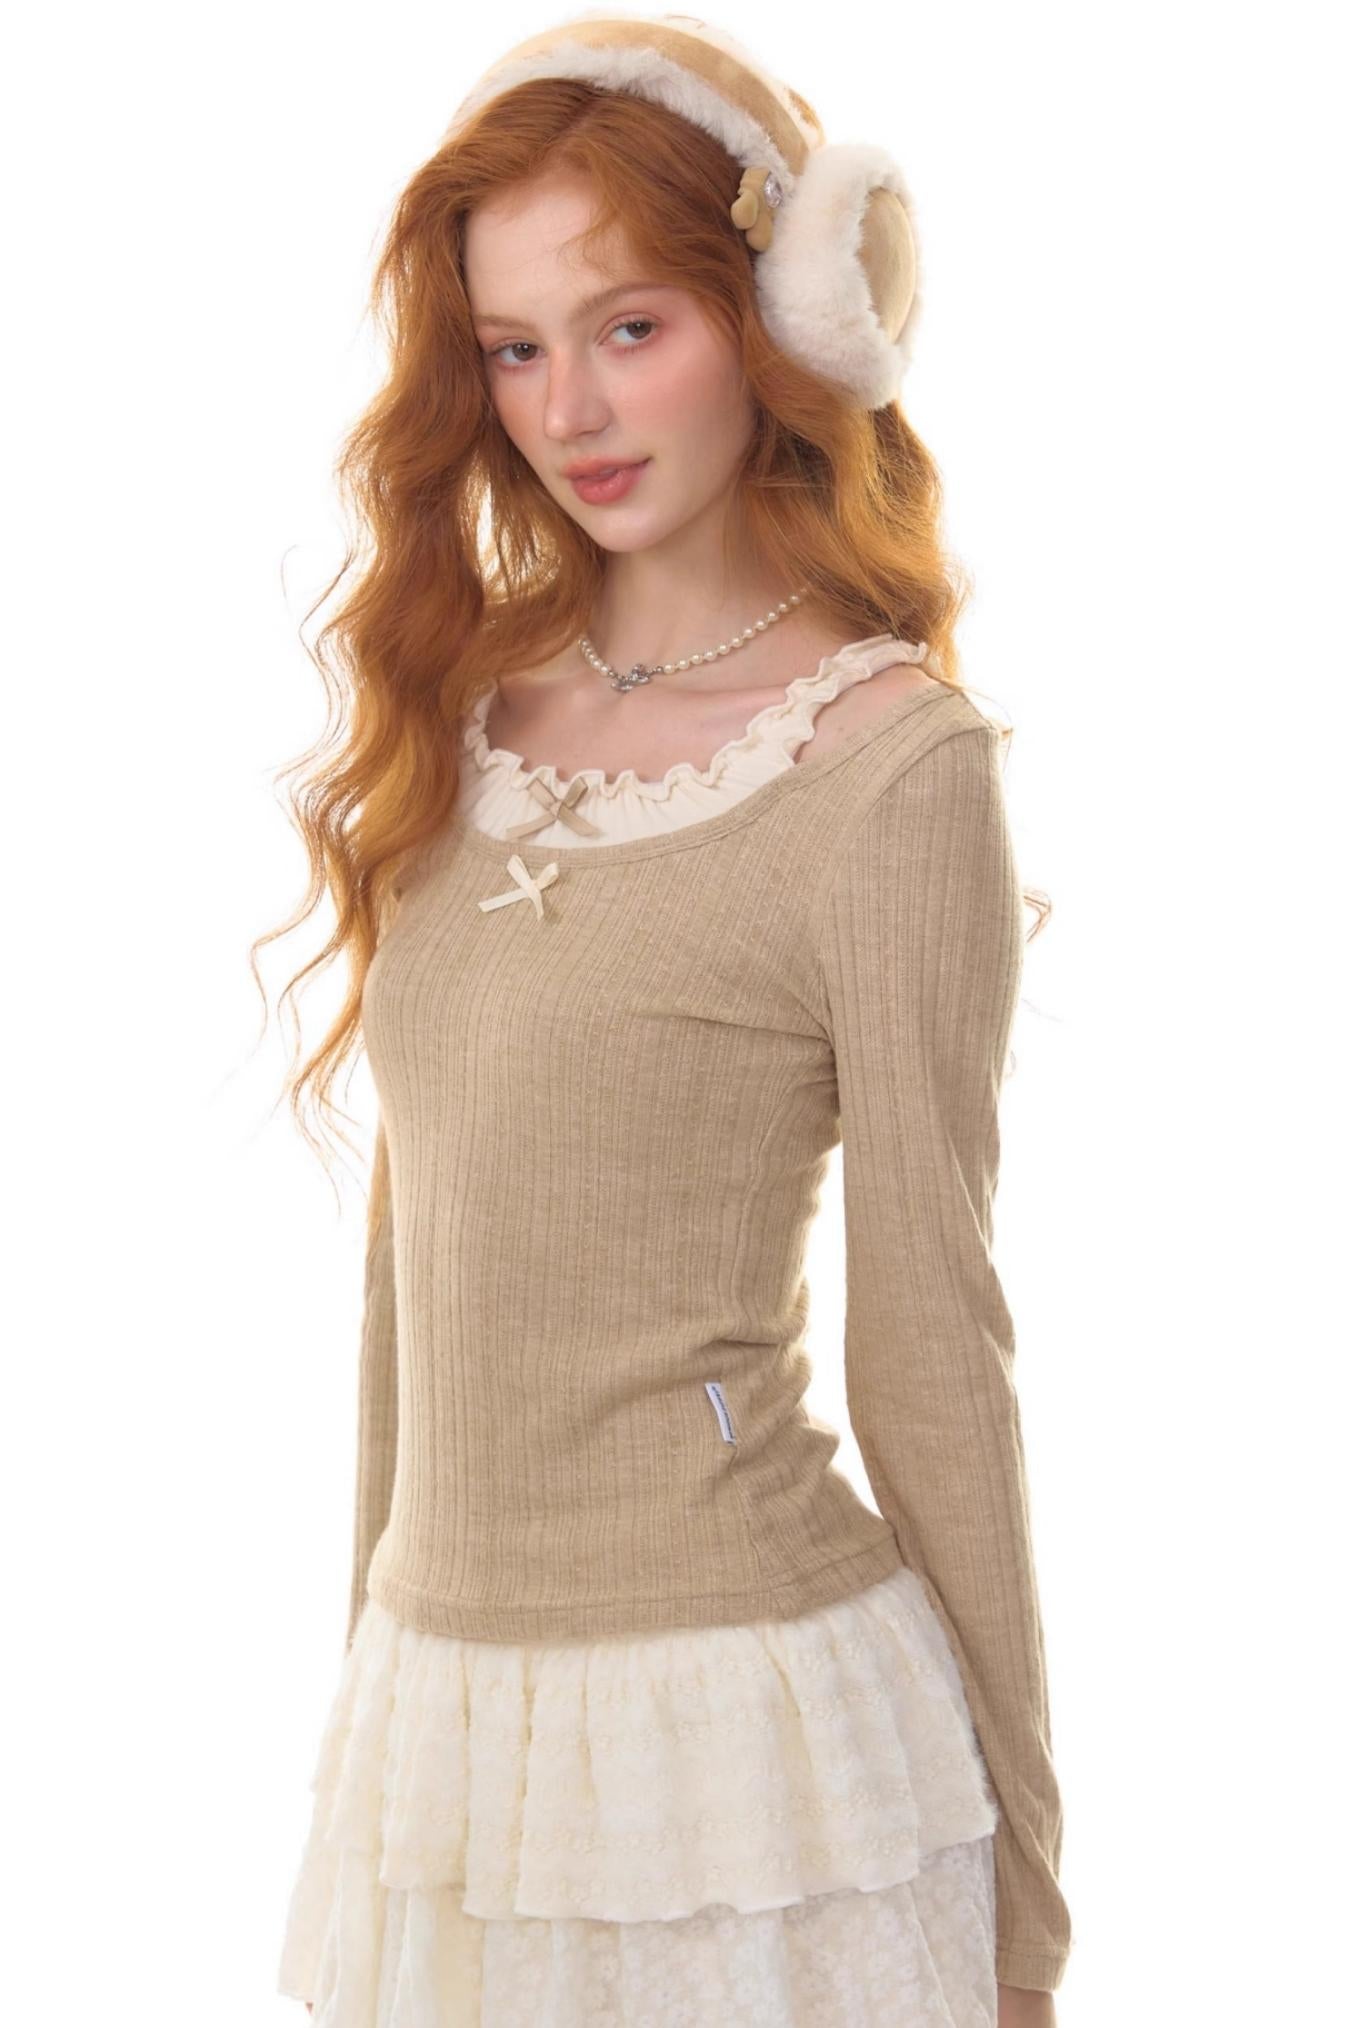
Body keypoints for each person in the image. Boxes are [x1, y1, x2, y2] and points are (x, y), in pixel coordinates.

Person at [266, 14, 1072, 2024]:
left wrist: (1025, 1912)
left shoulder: (889, 772)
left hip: (746, 1752)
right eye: (515, 347)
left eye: (630, 327)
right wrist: (374, 1698)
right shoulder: (464, 715)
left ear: (778, 318)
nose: (570, 411)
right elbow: (412, 1283)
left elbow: (938, 1346)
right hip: (451, 1741)